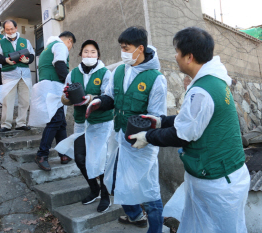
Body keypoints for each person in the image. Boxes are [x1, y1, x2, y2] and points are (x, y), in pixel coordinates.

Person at [129, 27, 250, 233]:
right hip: (219, 177)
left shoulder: (201, 91)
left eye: (177, 52)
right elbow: (193, 121)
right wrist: (161, 121)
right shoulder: (214, 80)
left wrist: (148, 136)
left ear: (189, 57)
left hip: (218, 182)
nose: (175, 56)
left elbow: (183, 134)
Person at [86, 27, 167, 232]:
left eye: (126, 48)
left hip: (142, 143)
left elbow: (157, 117)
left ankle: (155, 229)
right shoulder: (120, 71)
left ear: (140, 48)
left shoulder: (156, 78)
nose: (123, 52)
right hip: (120, 136)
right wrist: (99, 103)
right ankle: (135, 215)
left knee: (148, 190)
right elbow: (110, 97)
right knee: (117, 180)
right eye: (121, 47)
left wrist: (145, 136)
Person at [57, 39, 114, 213]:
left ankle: (105, 195)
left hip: (101, 123)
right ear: (80, 54)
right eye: (86, 52)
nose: (89, 55)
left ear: (98, 55)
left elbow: (108, 96)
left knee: (100, 160)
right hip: (81, 122)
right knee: (80, 157)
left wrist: (89, 98)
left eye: (93, 52)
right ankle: (94, 189)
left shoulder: (105, 73)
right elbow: (65, 96)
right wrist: (67, 97)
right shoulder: (73, 73)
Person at [29, 31, 75, 170]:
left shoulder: (46, 50)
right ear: (69, 41)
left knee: (60, 121)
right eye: (71, 45)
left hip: (46, 87)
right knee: (55, 120)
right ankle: (42, 154)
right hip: (54, 88)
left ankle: (63, 154)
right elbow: (60, 64)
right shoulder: (60, 46)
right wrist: (70, 84)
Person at [0, 19, 35, 132]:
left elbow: (31, 55)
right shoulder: (0, 42)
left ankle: (21, 123)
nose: (10, 31)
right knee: (7, 100)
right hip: (9, 74)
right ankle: (6, 125)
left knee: (25, 100)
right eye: (7, 29)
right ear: (4, 30)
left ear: (16, 28)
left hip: (24, 74)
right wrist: (5, 60)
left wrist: (27, 60)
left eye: (12, 29)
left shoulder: (25, 41)